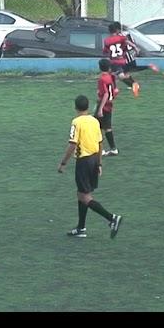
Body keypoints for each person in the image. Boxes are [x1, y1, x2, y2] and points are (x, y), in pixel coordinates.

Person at [58, 94, 122, 239]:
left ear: (75, 108)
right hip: (94, 159)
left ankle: (112, 218)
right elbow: (100, 143)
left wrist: (63, 163)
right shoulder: (94, 121)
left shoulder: (76, 122)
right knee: (81, 194)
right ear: (87, 107)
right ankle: (81, 228)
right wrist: (99, 163)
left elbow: (72, 144)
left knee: (84, 196)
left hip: (84, 162)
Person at [103, 21, 158, 97]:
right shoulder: (125, 35)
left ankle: (126, 86)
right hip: (127, 56)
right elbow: (128, 42)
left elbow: (107, 50)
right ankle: (132, 85)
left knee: (122, 74)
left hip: (123, 57)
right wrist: (135, 49)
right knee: (125, 73)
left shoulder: (111, 39)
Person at [95, 58, 119, 156]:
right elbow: (114, 90)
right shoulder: (110, 77)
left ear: (100, 67)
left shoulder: (102, 79)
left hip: (103, 105)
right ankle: (113, 149)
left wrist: (100, 108)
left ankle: (100, 149)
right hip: (109, 104)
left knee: (96, 127)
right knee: (106, 127)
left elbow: (105, 93)